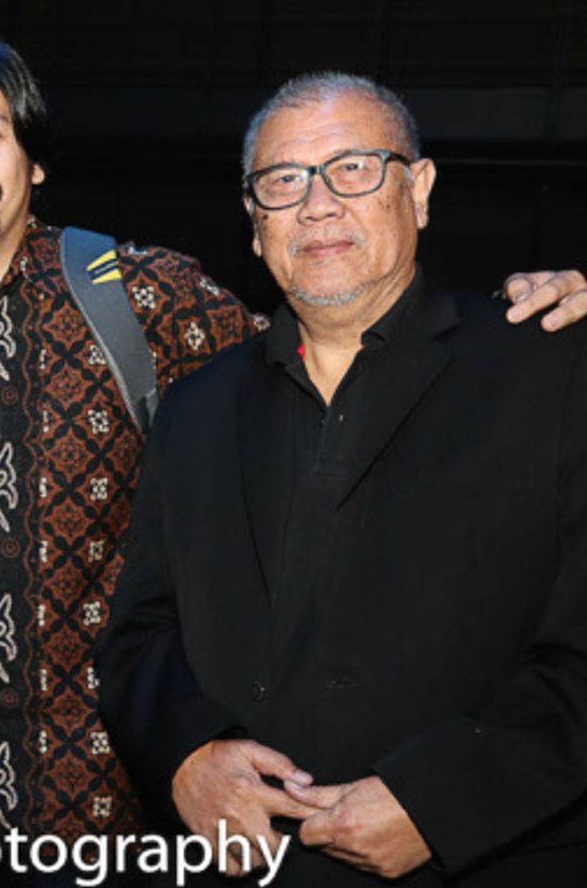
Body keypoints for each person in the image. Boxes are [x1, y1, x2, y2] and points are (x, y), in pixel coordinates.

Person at [0, 35, 585, 858]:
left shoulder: (147, 299)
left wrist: (520, 311)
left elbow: (342, 337)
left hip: (98, 825)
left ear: (34, 161)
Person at [93, 71, 586, 886]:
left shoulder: (549, 369)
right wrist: (185, 753)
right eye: (282, 183)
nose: (316, 204)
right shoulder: (194, 409)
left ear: (419, 190)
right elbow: (140, 631)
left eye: (354, 167)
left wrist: (440, 800)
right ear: (255, 227)